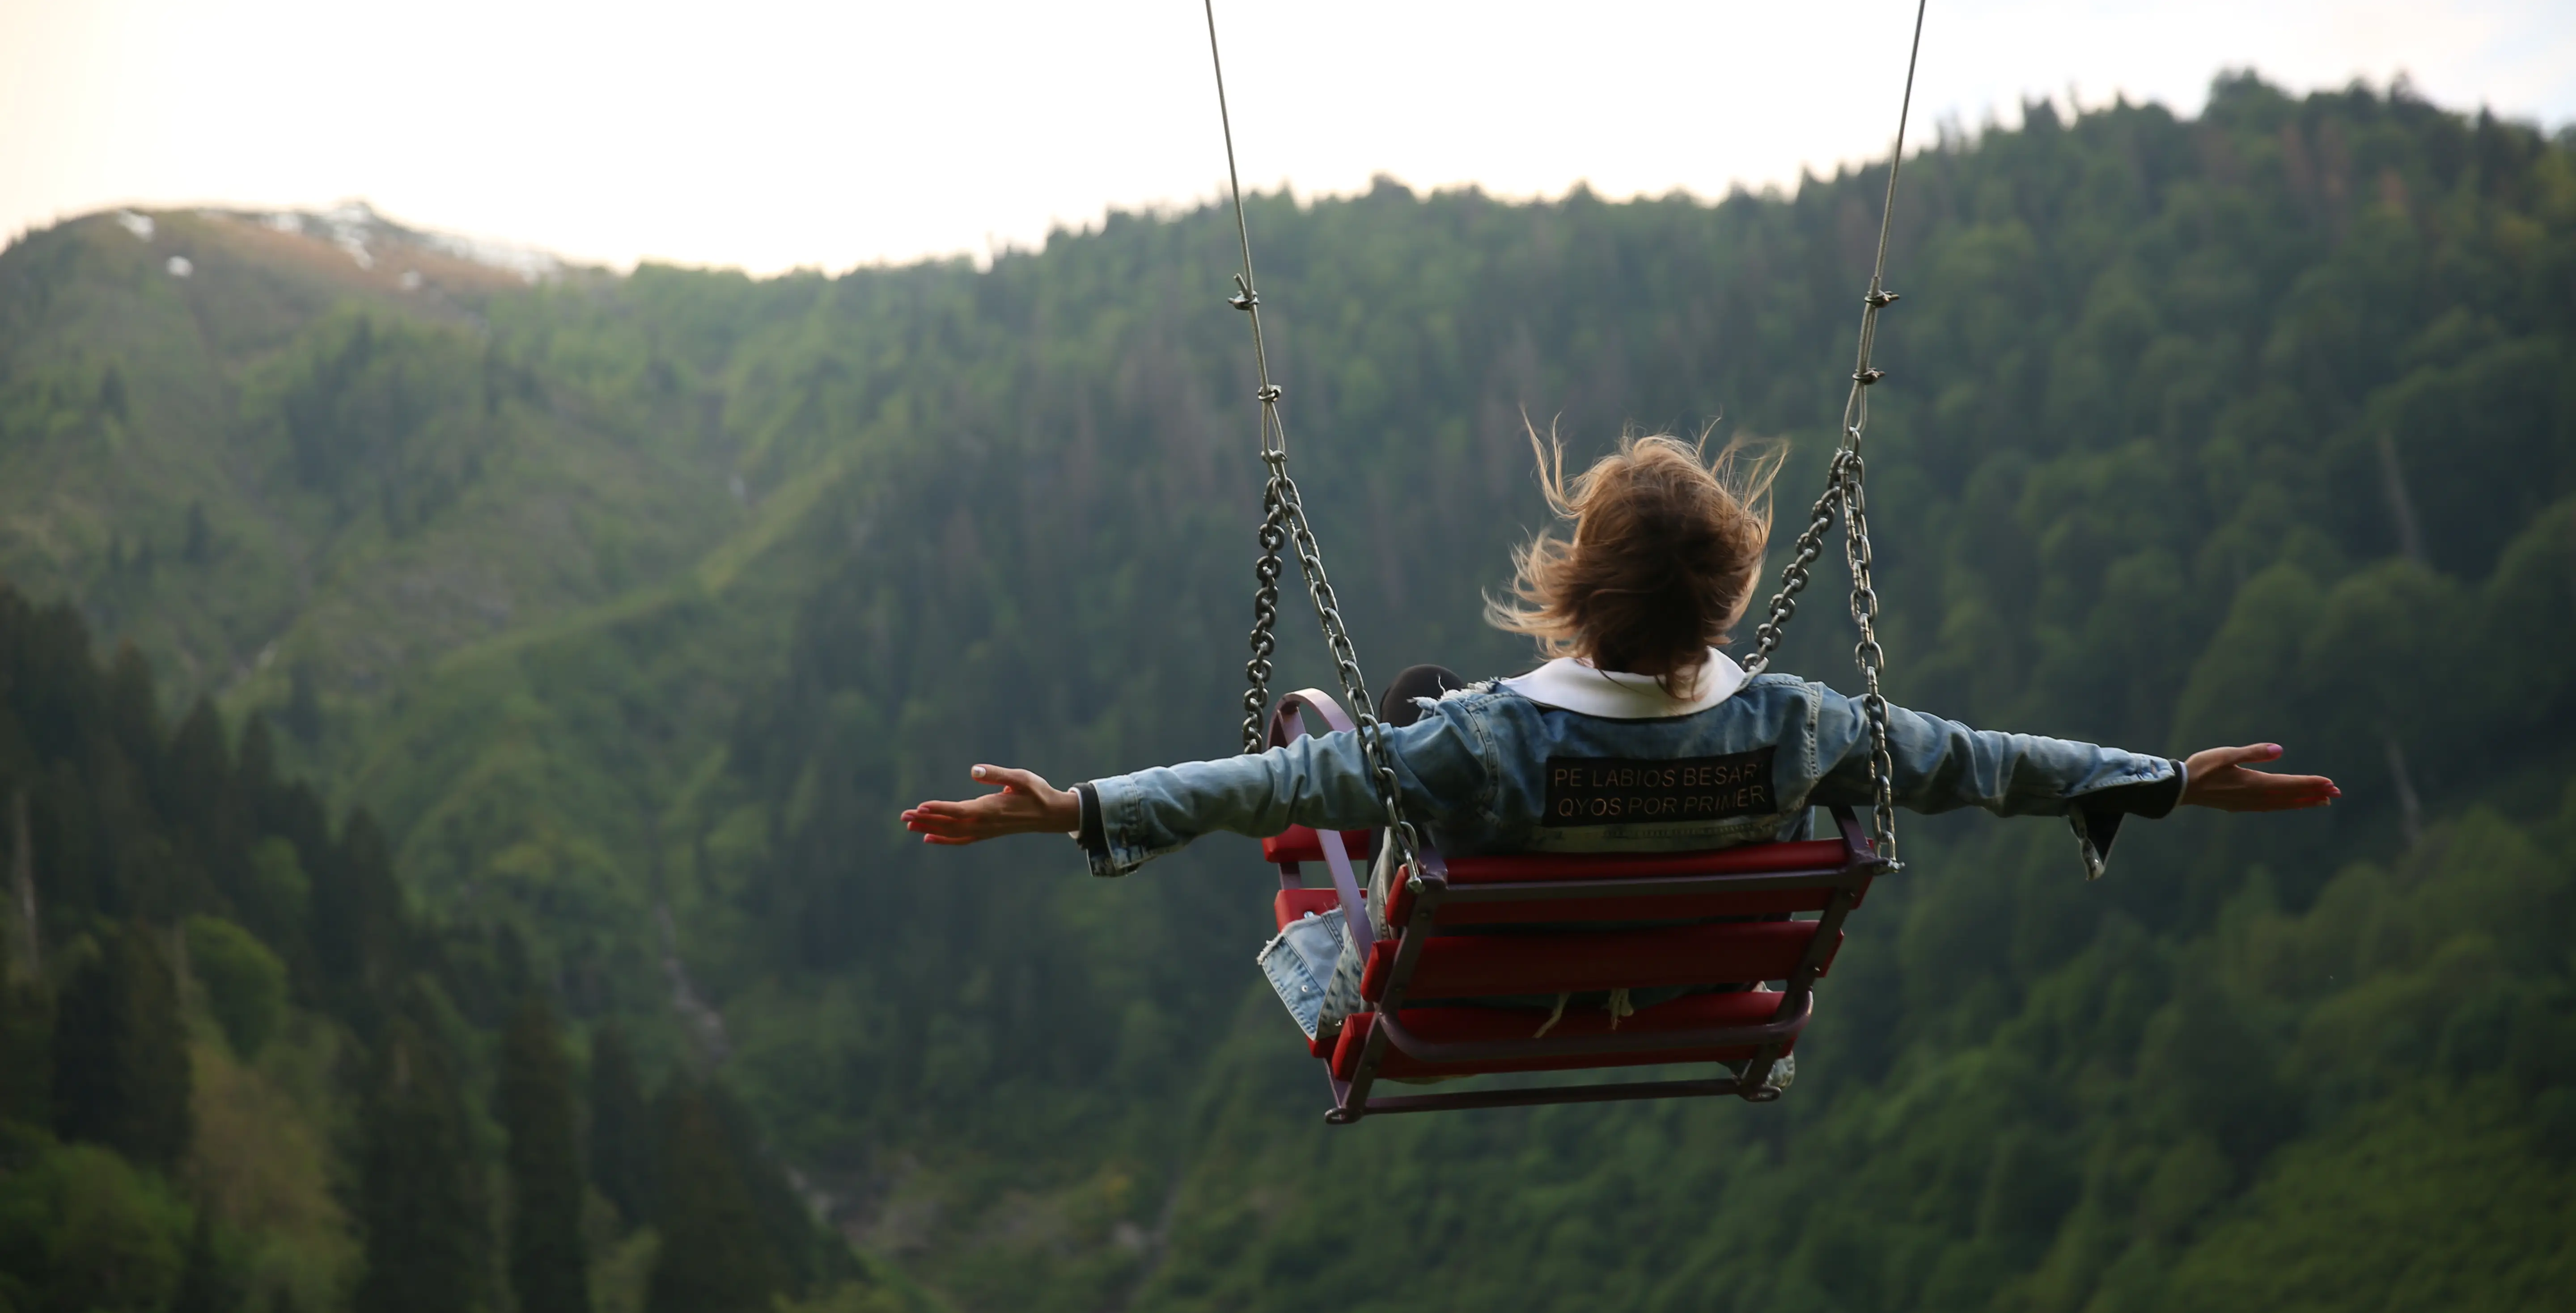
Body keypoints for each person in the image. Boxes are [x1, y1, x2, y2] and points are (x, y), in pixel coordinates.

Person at [901, 429, 2339, 875]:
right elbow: (1979, 761)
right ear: (1730, 596)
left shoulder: (1483, 741)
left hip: (1493, 968)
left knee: (1362, 736)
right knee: (1384, 744)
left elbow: (1251, 789)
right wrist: (2154, 779)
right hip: (1697, 967)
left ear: (1570, 588)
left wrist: (1080, 804)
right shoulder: (1800, 727)